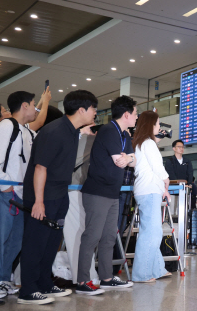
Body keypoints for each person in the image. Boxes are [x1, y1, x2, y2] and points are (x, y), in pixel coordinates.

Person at [18, 90, 97, 305]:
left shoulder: (72, 131)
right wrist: (39, 201)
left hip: (60, 195)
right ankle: (28, 290)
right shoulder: (54, 131)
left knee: (51, 242)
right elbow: (40, 168)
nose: (95, 113)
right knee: (36, 242)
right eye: (93, 109)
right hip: (43, 196)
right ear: (82, 110)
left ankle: (44, 282)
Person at [76, 96, 137, 295]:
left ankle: (106, 278)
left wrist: (128, 158)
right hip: (97, 192)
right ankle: (82, 281)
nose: (136, 117)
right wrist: (127, 158)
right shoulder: (109, 131)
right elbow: (120, 161)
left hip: (112, 193)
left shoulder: (125, 135)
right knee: (92, 235)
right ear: (126, 114)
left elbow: (132, 161)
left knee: (110, 236)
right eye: (135, 114)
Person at [0, 92, 38, 300]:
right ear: (24, 106)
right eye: (34, 105)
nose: (35, 109)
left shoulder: (27, 132)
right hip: (3, 191)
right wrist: (3, 183)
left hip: (20, 194)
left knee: (14, 241)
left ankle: (2, 279)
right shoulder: (6, 126)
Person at [132, 111, 171, 283]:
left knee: (152, 232)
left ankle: (157, 269)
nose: (159, 127)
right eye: (157, 124)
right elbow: (157, 166)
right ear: (150, 125)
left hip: (146, 190)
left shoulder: (143, 142)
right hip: (149, 191)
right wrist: (166, 180)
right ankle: (142, 274)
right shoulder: (148, 143)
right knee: (151, 233)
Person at [165, 140, 195, 209]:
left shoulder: (187, 161)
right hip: (173, 189)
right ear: (174, 148)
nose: (181, 148)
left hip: (184, 189)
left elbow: (190, 173)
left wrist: (189, 184)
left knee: (183, 210)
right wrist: (178, 185)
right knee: (173, 210)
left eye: (182, 147)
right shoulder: (170, 161)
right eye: (179, 147)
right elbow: (170, 174)